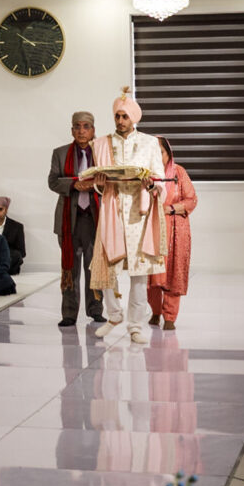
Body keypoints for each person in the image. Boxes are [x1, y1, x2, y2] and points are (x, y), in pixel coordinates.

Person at [85, 87, 166, 344]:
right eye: (117, 116)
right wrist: (99, 184)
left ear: (134, 118)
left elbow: (160, 180)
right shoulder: (101, 144)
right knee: (107, 268)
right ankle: (114, 316)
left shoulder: (150, 143)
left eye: (125, 116)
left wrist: (152, 185)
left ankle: (135, 326)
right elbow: (99, 183)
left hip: (139, 214)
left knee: (139, 274)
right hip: (112, 211)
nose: (120, 121)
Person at [48, 111, 103, 327]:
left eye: (86, 126)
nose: (81, 131)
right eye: (77, 127)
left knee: (94, 267)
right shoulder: (60, 153)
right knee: (70, 267)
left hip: (94, 218)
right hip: (69, 219)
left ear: (93, 130)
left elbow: (112, 182)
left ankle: (96, 310)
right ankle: (69, 314)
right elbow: (53, 181)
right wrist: (74, 184)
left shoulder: (102, 153)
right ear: (72, 130)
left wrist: (96, 185)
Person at [148, 136, 197, 330]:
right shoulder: (145, 175)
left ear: (168, 154)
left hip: (176, 230)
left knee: (173, 273)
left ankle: (170, 316)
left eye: (160, 152)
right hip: (152, 228)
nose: (156, 156)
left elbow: (191, 199)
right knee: (152, 274)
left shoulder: (178, 172)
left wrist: (170, 209)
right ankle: (155, 311)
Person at [0, 197, 27, 276]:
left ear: (6, 210)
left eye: (0, 209)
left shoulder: (17, 226)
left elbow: (22, 252)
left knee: (16, 255)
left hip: (7, 262)